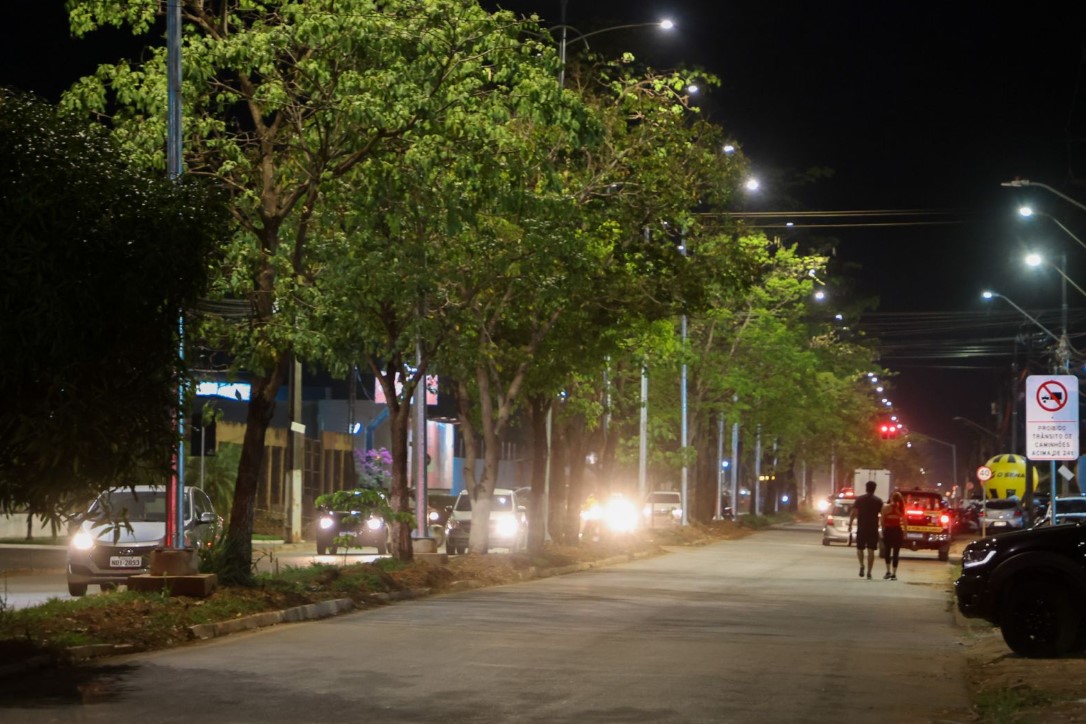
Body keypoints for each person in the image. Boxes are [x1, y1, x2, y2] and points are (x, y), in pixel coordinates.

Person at [848, 480, 883, 580]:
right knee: (871, 550)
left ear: (866, 488)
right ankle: (869, 572)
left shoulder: (859, 499)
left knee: (859, 548)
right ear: (874, 489)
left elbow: (853, 513)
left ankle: (862, 565)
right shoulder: (878, 501)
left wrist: (850, 524)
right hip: (873, 528)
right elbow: (882, 515)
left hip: (862, 527)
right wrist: (882, 525)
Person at [880, 491, 905, 580]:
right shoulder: (901, 508)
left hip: (888, 531)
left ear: (891, 498)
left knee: (887, 551)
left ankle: (888, 571)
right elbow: (905, 522)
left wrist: (883, 530)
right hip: (897, 531)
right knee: (896, 553)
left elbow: (882, 521)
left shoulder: (885, 507)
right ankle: (894, 574)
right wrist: (905, 532)